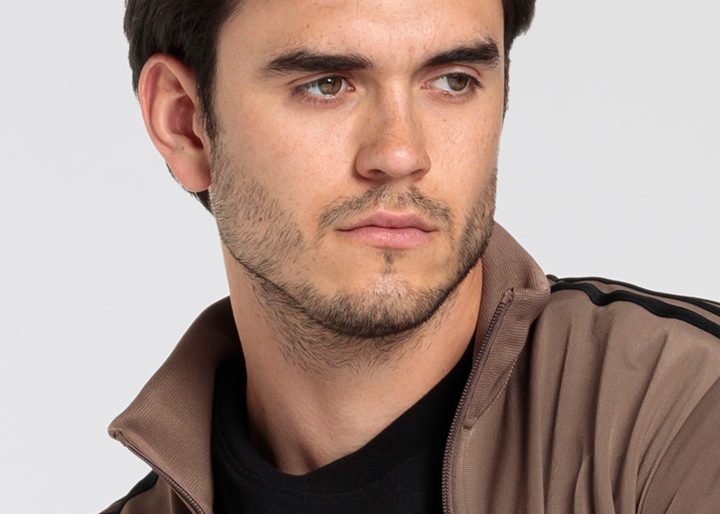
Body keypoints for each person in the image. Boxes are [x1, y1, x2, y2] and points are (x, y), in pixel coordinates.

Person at [102, 0, 720, 512]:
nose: (400, 155)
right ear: (185, 123)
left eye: (453, 81)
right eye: (326, 85)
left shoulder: (687, 411)